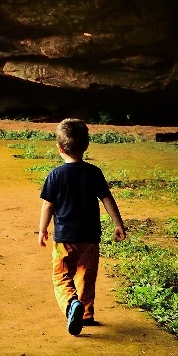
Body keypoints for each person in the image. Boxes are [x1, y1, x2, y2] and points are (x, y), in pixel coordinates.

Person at [37, 118, 127, 336]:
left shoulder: (55, 175)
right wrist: (119, 224)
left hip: (65, 238)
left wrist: (42, 230)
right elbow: (107, 199)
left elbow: (48, 206)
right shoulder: (93, 172)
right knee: (86, 275)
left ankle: (71, 304)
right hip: (90, 237)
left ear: (59, 148)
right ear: (86, 145)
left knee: (61, 276)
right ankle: (86, 314)